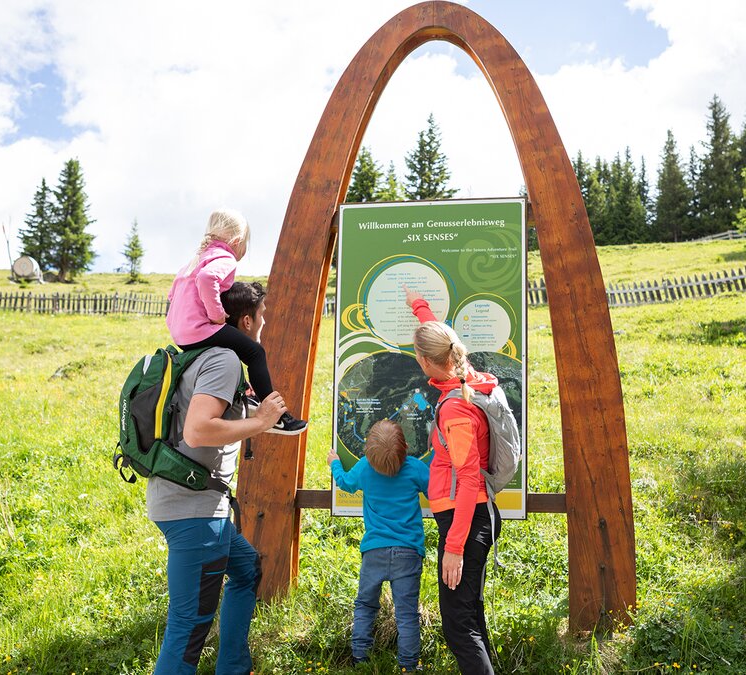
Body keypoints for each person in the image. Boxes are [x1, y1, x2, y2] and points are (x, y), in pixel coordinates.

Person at [149, 281, 287, 675]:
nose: (262, 324)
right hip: (194, 513)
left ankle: (233, 667)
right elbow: (197, 431)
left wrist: (264, 418)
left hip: (191, 503)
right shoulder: (224, 360)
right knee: (188, 627)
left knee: (246, 569)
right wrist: (259, 422)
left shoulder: (199, 354)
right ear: (247, 320)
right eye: (261, 317)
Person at [405, 287, 500, 674]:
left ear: (426, 361)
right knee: (469, 615)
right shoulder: (465, 376)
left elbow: (467, 477)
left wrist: (455, 547)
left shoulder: (456, 409)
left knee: (459, 627)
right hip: (472, 516)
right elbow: (437, 336)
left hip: (467, 519)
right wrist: (419, 307)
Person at [166, 208, 306, 435]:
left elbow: (172, 295)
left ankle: (248, 397)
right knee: (255, 353)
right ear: (238, 241)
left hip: (181, 334)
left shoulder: (194, 260)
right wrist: (217, 315)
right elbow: (207, 278)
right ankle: (276, 416)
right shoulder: (225, 258)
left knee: (236, 349)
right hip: (200, 330)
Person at [327, 420, 429, 671]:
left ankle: (360, 658)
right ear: (404, 447)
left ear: (368, 451)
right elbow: (435, 490)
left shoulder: (364, 468)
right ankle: (408, 666)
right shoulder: (415, 468)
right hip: (408, 552)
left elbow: (346, 484)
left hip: (373, 551)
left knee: (365, 605)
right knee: (406, 615)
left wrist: (335, 464)